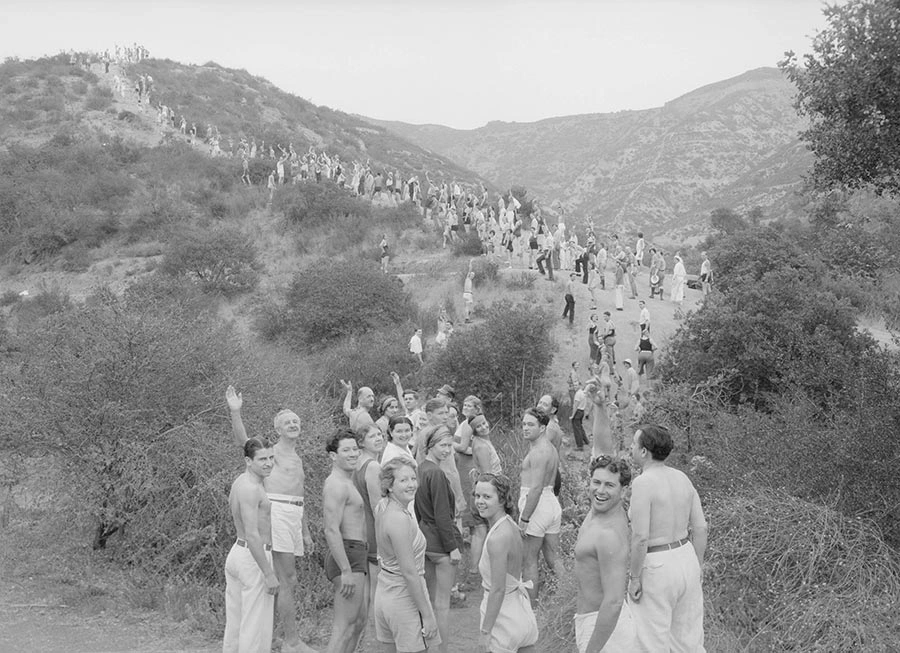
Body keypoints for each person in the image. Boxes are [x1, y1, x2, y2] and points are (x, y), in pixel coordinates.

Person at [225, 388, 315, 653]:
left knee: (288, 579)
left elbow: (300, 494)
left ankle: (278, 636)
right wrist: (236, 412)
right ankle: (291, 641)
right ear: (277, 429)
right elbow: (244, 442)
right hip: (275, 513)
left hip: (293, 516)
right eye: (287, 422)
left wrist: (306, 530)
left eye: (296, 421)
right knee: (286, 578)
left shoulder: (297, 457)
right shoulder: (269, 454)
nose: (293, 424)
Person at [629, 425, 708, 653]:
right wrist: (698, 565)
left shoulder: (643, 483)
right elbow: (701, 528)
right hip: (686, 556)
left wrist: (635, 577)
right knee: (688, 641)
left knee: (650, 641)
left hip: (657, 563)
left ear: (644, 451)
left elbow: (641, 537)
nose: (632, 448)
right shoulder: (682, 478)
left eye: (634, 444)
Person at [374, 458, 441, 652]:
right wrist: (427, 615)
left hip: (385, 590)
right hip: (404, 596)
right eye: (403, 480)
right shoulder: (398, 519)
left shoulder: (383, 507)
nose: (411, 484)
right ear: (389, 485)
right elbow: (409, 572)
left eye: (413, 478)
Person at [573, 456, 638, 653]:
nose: (600, 491)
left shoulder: (608, 535)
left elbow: (614, 601)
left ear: (624, 490)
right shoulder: (597, 512)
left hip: (607, 632)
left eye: (610, 485)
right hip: (591, 623)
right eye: (596, 482)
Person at [223, 438, 278, 653]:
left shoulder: (241, 481)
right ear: (248, 460)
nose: (268, 463)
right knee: (254, 625)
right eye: (262, 459)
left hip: (238, 552)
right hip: (252, 557)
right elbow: (253, 534)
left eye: (271, 458)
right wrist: (268, 572)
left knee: (236, 622)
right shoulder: (250, 488)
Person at [473, 474, 539, 653]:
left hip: (503, 619)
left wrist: (485, 632)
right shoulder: (511, 525)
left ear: (502, 499)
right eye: (477, 496)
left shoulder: (497, 537)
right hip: (521, 613)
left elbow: (498, 589)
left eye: (487, 497)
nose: (480, 501)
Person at [415, 426, 463, 653]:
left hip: (424, 540)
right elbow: (443, 514)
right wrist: (452, 547)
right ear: (430, 446)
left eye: (450, 445)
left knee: (429, 604)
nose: (447, 450)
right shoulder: (435, 473)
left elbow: (416, 509)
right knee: (442, 606)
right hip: (440, 545)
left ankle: (428, 648)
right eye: (443, 445)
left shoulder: (420, 469)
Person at [322, 429, 368, 653]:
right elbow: (331, 529)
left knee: (357, 624)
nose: (352, 454)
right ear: (333, 455)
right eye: (346, 450)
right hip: (347, 555)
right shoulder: (336, 485)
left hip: (357, 552)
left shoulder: (348, 481)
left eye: (355, 449)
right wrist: (346, 569)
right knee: (344, 627)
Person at [518, 408, 565, 602]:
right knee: (553, 557)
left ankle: (531, 610)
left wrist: (524, 518)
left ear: (543, 427)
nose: (525, 428)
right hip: (551, 502)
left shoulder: (539, 451)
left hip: (537, 505)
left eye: (531, 425)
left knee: (529, 560)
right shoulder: (550, 448)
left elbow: (536, 488)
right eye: (524, 424)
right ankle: (570, 595)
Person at [353, 425, 384, 625]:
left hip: (358, 531)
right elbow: (377, 506)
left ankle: (362, 631)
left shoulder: (355, 463)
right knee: (377, 588)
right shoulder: (372, 466)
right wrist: (384, 538)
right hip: (373, 531)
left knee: (364, 588)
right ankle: (377, 632)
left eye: (380, 434)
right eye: (372, 436)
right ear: (361, 442)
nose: (378, 438)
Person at [571, 381, 590, 454]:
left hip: (578, 411)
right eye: (574, 385)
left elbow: (575, 405)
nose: (575, 387)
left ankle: (579, 446)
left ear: (579, 385)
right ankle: (586, 440)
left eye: (576, 385)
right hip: (582, 411)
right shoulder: (583, 393)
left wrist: (572, 415)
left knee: (577, 429)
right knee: (580, 427)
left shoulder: (578, 394)